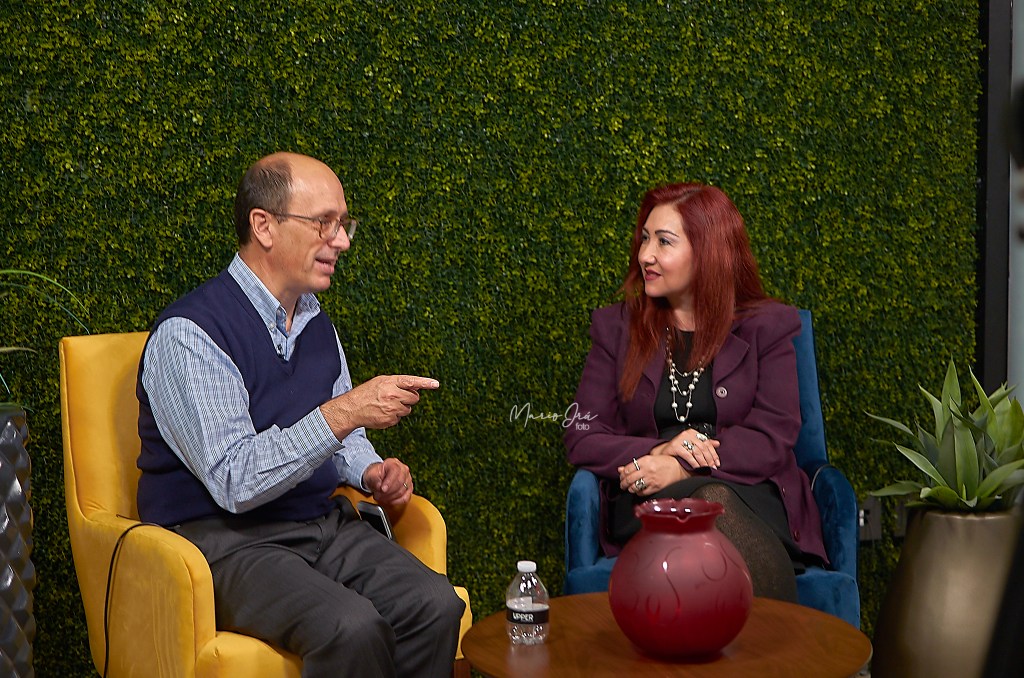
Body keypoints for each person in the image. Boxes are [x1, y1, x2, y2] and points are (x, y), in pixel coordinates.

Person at [135, 152, 465, 677]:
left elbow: (342, 439)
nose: (342, 241)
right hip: (222, 542)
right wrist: (344, 412)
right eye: (324, 223)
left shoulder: (316, 324)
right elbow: (235, 480)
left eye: (344, 223)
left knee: (436, 605)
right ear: (263, 226)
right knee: (350, 627)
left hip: (318, 524)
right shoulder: (189, 334)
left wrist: (369, 470)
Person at [564, 182, 827, 600]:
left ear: (707, 253)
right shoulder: (616, 328)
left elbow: (773, 436)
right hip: (648, 494)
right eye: (645, 238)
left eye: (664, 241)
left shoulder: (768, 326)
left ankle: (765, 638)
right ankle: (780, 639)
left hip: (748, 489)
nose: (645, 255)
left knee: (714, 498)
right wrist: (661, 450)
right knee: (708, 503)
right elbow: (582, 436)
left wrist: (684, 467)